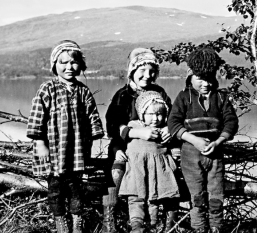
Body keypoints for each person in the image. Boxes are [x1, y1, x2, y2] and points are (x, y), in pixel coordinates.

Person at [26, 40, 104, 233]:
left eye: (73, 62)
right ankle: (61, 223)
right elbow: (36, 119)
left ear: (80, 65)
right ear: (55, 66)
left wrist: (93, 141)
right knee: (55, 191)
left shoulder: (83, 91)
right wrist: (40, 144)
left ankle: (77, 221)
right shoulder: (47, 89)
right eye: (63, 62)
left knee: (76, 189)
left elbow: (93, 117)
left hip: (77, 152)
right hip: (53, 152)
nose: (69, 67)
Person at [103, 48, 176, 233]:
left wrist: (169, 129)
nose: (147, 75)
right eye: (142, 70)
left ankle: (167, 221)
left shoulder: (159, 92)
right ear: (132, 72)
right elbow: (112, 126)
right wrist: (137, 132)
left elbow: (174, 117)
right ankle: (109, 219)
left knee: (170, 169)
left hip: (155, 146)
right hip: (124, 144)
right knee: (115, 171)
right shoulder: (123, 95)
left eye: (152, 71)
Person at [168, 47, 239, 233]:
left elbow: (231, 122)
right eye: (200, 78)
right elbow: (173, 124)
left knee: (216, 196)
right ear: (190, 77)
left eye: (209, 78)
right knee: (196, 197)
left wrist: (218, 141)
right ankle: (199, 228)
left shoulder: (221, 98)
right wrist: (194, 140)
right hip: (190, 154)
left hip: (215, 154)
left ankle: (216, 228)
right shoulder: (183, 97)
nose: (205, 83)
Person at [119, 91, 180, 233]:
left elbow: (174, 146)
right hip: (136, 169)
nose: (155, 118)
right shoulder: (134, 125)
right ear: (142, 114)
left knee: (155, 199)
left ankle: (154, 224)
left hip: (157, 171)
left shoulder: (165, 131)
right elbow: (121, 132)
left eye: (160, 114)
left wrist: (174, 156)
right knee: (135, 198)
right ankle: (136, 225)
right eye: (151, 114)